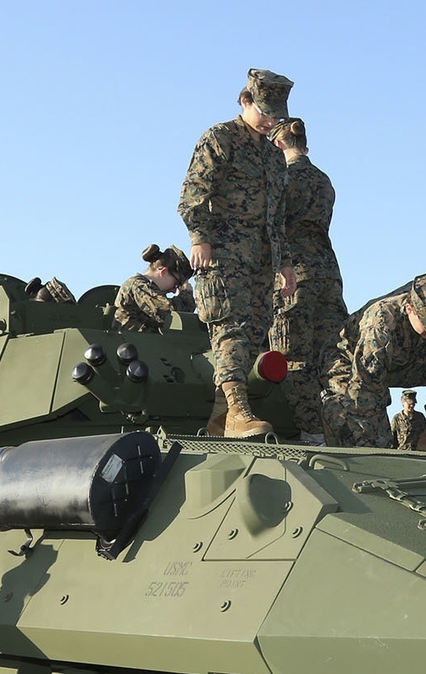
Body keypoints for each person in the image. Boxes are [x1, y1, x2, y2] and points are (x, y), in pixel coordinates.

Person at [179, 68, 296, 439]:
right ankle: (238, 411)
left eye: (276, 115)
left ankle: (219, 418)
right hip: (224, 255)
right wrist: (200, 237)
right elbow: (193, 195)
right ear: (244, 101)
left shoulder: (275, 157)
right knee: (230, 331)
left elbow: (278, 216)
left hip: (263, 260)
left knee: (255, 333)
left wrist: (286, 264)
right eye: (264, 112)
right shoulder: (220, 138)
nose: (270, 121)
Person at [319, 272, 426, 450]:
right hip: (349, 364)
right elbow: (365, 386)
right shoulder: (380, 325)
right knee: (373, 443)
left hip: (395, 357)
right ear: (410, 309)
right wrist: (368, 430)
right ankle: (334, 411)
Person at [267, 117, 348, 443]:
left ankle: (311, 434)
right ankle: (338, 431)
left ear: (278, 144)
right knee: (332, 359)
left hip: (293, 276)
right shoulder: (323, 180)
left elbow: (272, 229)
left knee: (292, 360)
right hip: (328, 273)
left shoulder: (281, 178)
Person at [113, 244, 194, 333]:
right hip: (134, 342)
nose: (174, 290)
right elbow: (171, 314)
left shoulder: (146, 287)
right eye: (176, 283)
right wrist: (186, 293)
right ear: (163, 272)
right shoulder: (139, 285)